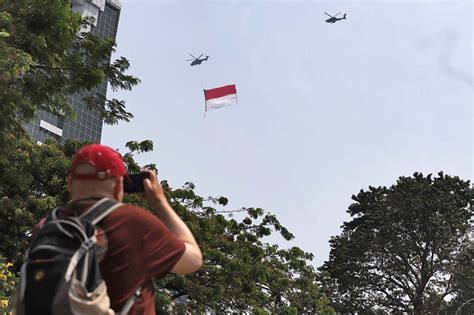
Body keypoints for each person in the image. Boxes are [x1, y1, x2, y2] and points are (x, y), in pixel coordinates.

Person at [60, 143, 202, 314]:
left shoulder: (46, 225)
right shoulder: (132, 222)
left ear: (69, 184)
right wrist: (160, 202)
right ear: (120, 186)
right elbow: (192, 260)